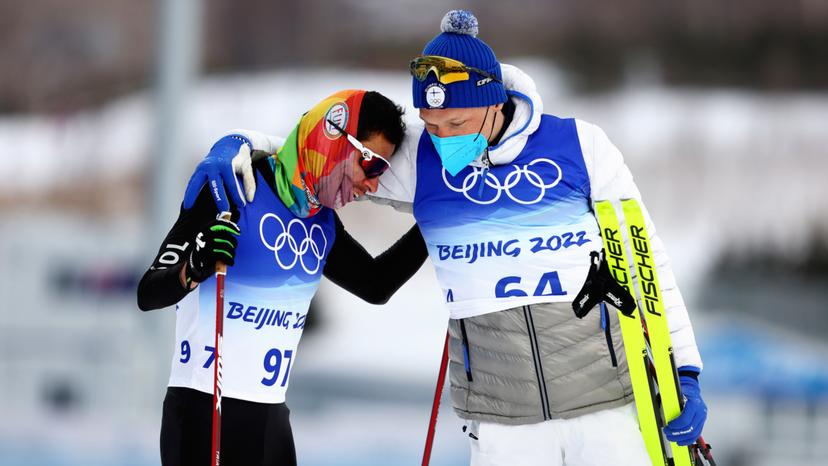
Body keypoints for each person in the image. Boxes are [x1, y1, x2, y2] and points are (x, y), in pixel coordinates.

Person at [185, 11, 709, 466]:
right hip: (504, 422)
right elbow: (312, 156)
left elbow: (646, 257)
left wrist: (684, 367)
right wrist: (239, 143)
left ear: (492, 101)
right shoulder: (421, 161)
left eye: (456, 122)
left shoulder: (580, 145)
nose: (444, 137)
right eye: (432, 124)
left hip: (606, 402)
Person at [137, 89, 428, 466]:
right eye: (371, 165)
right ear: (335, 138)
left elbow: (376, 285)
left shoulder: (321, 221)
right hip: (203, 415)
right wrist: (194, 265)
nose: (372, 184)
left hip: (271, 422)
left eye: (382, 172)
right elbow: (149, 292)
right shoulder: (234, 187)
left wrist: (437, 216)